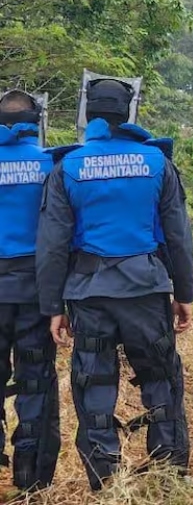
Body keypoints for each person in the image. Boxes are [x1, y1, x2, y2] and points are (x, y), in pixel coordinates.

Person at [35, 78, 193, 491]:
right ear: (127, 113)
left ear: (89, 114)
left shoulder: (67, 167)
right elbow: (178, 234)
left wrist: (53, 306)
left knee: (93, 383)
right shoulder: (157, 162)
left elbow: (52, 245)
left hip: (89, 296)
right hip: (146, 290)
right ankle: (168, 474)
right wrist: (184, 293)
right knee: (161, 378)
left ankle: (105, 481)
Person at [0, 89, 60, 493]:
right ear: (35, 120)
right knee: (35, 382)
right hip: (34, 291)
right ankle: (29, 484)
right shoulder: (52, 165)